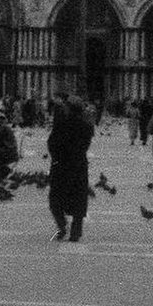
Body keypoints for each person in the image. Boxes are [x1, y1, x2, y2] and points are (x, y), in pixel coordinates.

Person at [47, 93, 94, 242]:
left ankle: (62, 225)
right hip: (79, 164)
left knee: (55, 198)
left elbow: (52, 142)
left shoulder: (62, 123)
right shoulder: (87, 125)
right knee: (79, 198)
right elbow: (85, 144)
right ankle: (76, 231)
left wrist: (56, 157)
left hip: (61, 164)